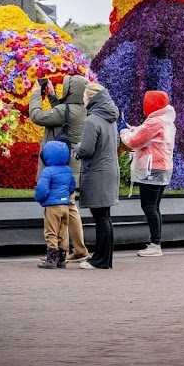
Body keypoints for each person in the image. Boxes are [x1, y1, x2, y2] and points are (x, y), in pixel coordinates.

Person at [29, 75, 90, 263]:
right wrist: (54, 97)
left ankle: (58, 252)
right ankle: (77, 249)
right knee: (70, 208)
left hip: (58, 167)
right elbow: (62, 114)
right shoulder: (80, 109)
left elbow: (37, 116)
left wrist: (35, 95)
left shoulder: (67, 110)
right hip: (71, 165)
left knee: (59, 208)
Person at [119, 90, 175, 257]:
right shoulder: (165, 120)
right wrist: (134, 129)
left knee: (149, 206)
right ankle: (155, 241)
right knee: (155, 206)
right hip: (162, 167)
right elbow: (146, 134)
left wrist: (123, 131)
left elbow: (134, 141)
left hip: (152, 169)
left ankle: (155, 244)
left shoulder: (154, 122)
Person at [74, 82, 120, 270]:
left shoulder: (91, 120)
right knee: (105, 217)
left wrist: (76, 149)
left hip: (97, 173)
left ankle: (100, 260)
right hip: (109, 170)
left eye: (84, 96)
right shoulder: (110, 118)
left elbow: (86, 149)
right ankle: (104, 258)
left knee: (100, 218)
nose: (83, 99)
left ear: (91, 98)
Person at [35, 140, 79, 269]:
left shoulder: (47, 171)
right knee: (62, 232)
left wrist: (40, 199)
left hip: (52, 206)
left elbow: (42, 189)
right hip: (65, 206)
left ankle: (51, 259)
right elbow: (72, 187)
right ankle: (61, 258)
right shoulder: (67, 170)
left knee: (51, 232)